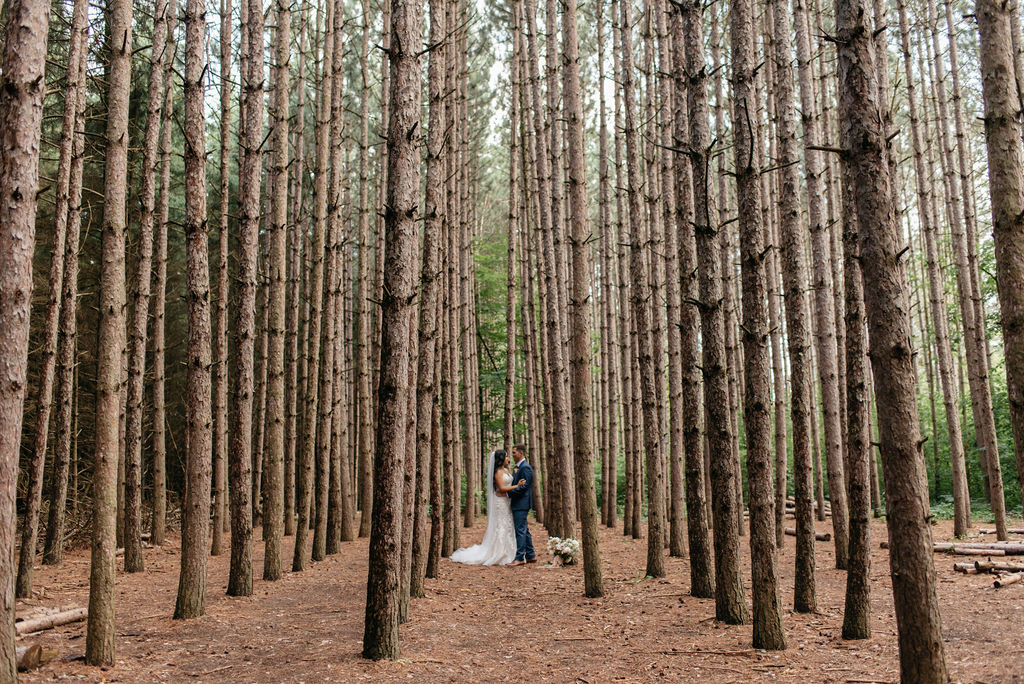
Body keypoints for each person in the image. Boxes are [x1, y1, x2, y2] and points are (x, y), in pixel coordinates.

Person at [450, 450, 524, 566]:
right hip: (500, 502)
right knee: (501, 525)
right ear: (500, 459)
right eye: (506, 457)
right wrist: (517, 486)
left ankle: (510, 551)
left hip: (507, 501)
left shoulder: (506, 470)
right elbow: (501, 488)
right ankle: (499, 553)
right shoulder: (498, 472)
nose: (508, 458)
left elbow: (508, 484)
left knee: (508, 525)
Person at [507, 443, 536, 566]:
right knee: (524, 530)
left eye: (514, 452)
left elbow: (524, 487)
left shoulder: (525, 468)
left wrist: (510, 493)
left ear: (521, 453)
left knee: (520, 530)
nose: (512, 455)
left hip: (521, 503)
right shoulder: (518, 467)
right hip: (518, 503)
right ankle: (531, 555)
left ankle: (519, 558)